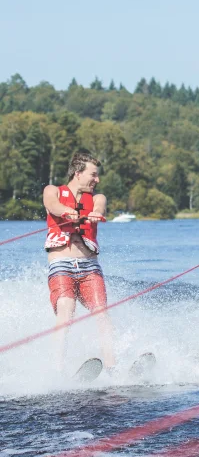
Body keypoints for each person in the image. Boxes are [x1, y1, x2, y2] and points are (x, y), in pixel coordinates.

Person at [42, 150, 115, 371]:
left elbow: (100, 207)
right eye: (93, 174)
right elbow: (53, 205)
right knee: (66, 309)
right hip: (61, 265)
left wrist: (95, 213)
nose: (97, 180)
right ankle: (58, 370)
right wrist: (67, 212)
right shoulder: (52, 191)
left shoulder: (97, 198)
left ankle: (113, 369)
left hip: (90, 267)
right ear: (78, 173)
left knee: (102, 313)